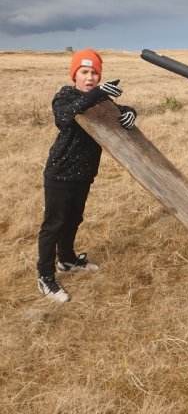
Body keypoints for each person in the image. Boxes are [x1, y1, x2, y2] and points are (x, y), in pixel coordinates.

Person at [37, 49, 137, 302]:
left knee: (74, 219)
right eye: (84, 72)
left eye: (94, 73)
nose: (90, 77)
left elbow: (120, 109)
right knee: (54, 225)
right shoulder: (66, 96)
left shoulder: (100, 100)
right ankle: (45, 276)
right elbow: (64, 118)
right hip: (60, 173)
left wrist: (130, 114)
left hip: (84, 174)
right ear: (75, 76)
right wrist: (99, 92)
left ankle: (67, 260)